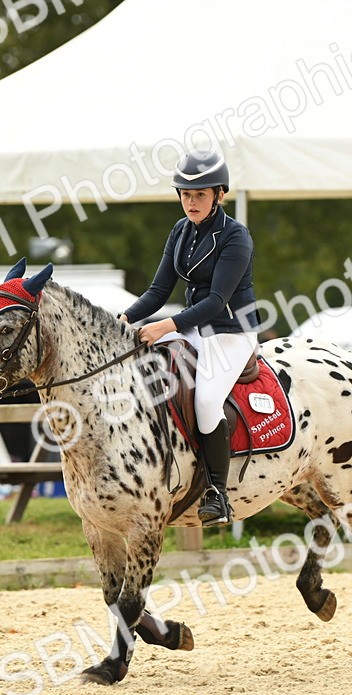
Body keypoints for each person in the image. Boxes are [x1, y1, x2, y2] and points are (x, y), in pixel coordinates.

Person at [119, 149, 259, 526]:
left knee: (207, 402)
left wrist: (166, 326)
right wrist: (123, 319)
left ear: (219, 195)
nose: (191, 202)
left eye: (200, 194)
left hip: (231, 330)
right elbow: (157, 291)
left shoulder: (236, 237)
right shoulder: (180, 231)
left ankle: (217, 492)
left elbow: (216, 301)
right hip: (194, 328)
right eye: (185, 194)